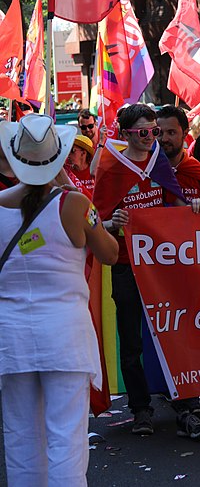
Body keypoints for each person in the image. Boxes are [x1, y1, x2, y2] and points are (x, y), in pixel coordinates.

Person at [0, 113, 119, 486]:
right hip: (66, 335)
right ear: (59, 157)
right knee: (67, 435)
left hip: (11, 335)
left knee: (20, 435)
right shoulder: (75, 204)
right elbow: (110, 252)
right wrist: (66, 182)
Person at [93, 104, 200, 439]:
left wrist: (194, 207)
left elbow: (174, 205)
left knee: (173, 334)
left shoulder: (158, 159)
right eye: (143, 132)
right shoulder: (111, 166)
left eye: (154, 131)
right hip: (126, 264)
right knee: (131, 342)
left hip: (159, 263)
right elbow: (95, 220)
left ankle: (187, 404)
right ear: (127, 134)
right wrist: (110, 223)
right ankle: (140, 408)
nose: (150, 138)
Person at [157, 105, 200, 203]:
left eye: (171, 133)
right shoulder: (148, 170)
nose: (164, 139)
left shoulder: (197, 172)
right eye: (159, 133)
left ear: (185, 133)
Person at [65, 134, 96, 200]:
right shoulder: (65, 172)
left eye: (72, 150)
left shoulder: (95, 171)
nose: (68, 154)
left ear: (83, 153)